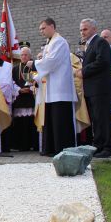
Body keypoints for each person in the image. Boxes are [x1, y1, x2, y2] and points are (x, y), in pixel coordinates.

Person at [26, 18, 77, 155]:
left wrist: (35, 63)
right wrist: (35, 78)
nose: (41, 31)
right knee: (51, 120)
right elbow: (48, 67)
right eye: (40, 29)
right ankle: (51, 148)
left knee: (60, 121)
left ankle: (63, 149)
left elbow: (52, 62)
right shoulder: (50, 43)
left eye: (43, 28)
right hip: (50, 89)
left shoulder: (59, 42)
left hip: (60, 89)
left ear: (52, 26)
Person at [75, 19, 111, 157]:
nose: (82, 32)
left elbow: (102, 61)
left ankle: (106, 147)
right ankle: (105, 146)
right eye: (81, 29)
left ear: (94, 29)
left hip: (100, 88)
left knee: (102, 118)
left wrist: (84, 71)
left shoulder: (100, 42)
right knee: (98, 118)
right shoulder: (90, 44)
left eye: (85, 29)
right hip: (93, 88)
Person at [11, 46, 39, 151]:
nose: (23, 56)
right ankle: (22, 145)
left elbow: (36, 80)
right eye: (22, 55)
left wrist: (31, 88)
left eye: (26, 54)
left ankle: (34, 144)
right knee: (21, 124)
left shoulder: (33, 66)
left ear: (30, 56)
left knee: (31, 123)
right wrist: (19, 90)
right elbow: (12, 82)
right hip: (20, 99)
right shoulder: (15, 68)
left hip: (31, 98)